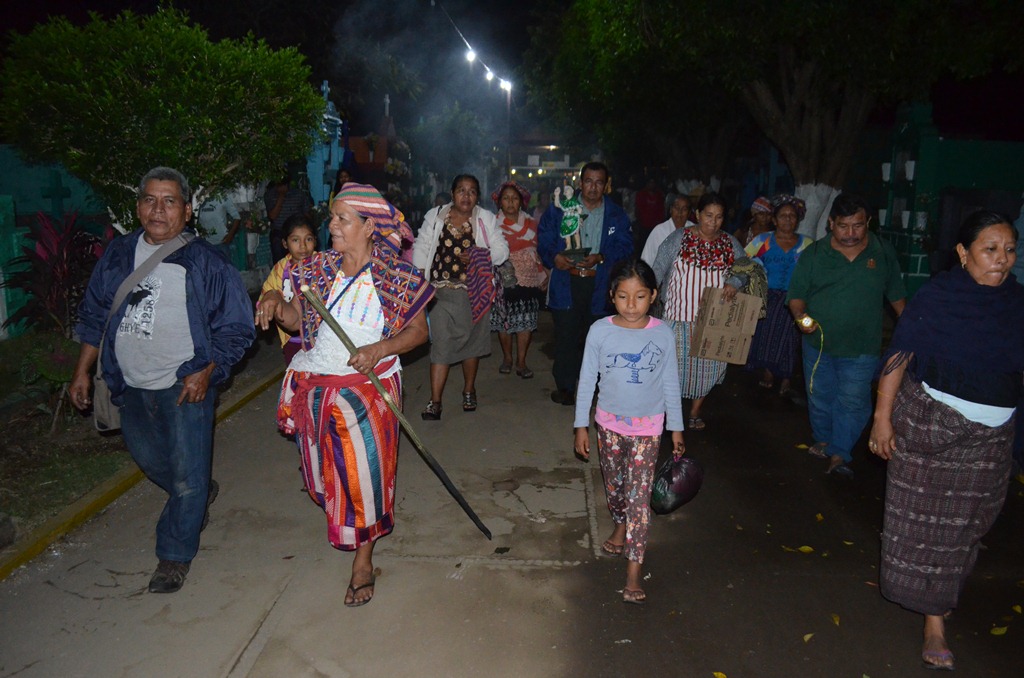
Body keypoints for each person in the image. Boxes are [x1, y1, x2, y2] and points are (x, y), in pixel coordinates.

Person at [69, 167, 255, 594]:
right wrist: (82, 370)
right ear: (138, 207)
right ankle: (197, 492)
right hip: (130, 385)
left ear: (187, 211)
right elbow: (95, 314)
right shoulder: (117, 255)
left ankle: (174, 555)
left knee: (186, 479)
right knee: (154, 462)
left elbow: (238, 328)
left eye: (169, 201)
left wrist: (208, 369)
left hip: (185, 386)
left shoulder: (205, 261)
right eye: (150, 200)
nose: (158, 209)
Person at [257, 182, 432, 607]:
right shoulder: (316, 269)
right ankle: (348, 524)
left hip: (368, 392)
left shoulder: (397, 276)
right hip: (316, 386)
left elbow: (419, 333)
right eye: (332, 217)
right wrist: (275, 302)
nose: (331, 225)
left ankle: (363, 561)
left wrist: (380, 349)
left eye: (342, 219)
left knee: (365, 479)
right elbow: (299, 320)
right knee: (325, 479)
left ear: (369, 226)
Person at [867, 210, 1024, 671]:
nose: (1001, 260)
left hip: (992, 439)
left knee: (968, 525)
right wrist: (882, 419)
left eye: (1010, 250)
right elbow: (900, 354)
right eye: (990, 249)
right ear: (963, 253)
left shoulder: (1018, 304)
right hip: (932, 428)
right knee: (927, 527)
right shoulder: (938, 297)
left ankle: (940, 594)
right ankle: (934, 622)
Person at [573, 259, 685, 605]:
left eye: (639, 296)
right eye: (623, 297)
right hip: (608, 424)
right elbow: (587, 379)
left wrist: (676, 428)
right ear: (612, 297)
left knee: (639, 499)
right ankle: (620, 524)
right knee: (615, 487)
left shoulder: (662, 333)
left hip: (648, 429)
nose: (631, 305)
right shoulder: (600, 331)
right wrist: (581, 424)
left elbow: (669, 381)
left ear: (653, 295)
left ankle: (634, 569)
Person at [787, 193, 906, 477]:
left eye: (858, 225)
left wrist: (913, 331)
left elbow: (897, 296)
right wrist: (802, 319)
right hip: (818, 344)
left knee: (852, 400)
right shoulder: (814, 254)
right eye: (843, 226)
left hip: (863, 346)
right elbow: (796, 298)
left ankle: (841, 452)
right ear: (831, 223)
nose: (850, 233)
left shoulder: (882, 251)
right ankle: (825, 439)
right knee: (820, 396)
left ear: (868, 223)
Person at [651, 192, 757, 430]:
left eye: (719, 217)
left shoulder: (730, 243)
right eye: (708, 215)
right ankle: (672, 413)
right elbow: (658, 269)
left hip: (714, 320)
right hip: (678, 316)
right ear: (697, 214)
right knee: (673, 369)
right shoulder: (678, 238)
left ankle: (695, 412)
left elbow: (744, 270)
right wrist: (648, 296)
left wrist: (735, 283)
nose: (713, 222)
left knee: (709, 369)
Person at [412, 174, 508, 419]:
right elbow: (421, 246)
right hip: (441, 293)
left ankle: (468, 389)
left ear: (478, 196)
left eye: (472, 191)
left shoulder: (485, 219)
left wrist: (479, 254)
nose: (466, 196)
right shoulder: (435, 217)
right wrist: (420, 282)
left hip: (474, 293)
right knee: (441, 345)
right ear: (452, 193)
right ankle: (435, 402)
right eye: (461, 190)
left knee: (472, 345)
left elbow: (501, 251)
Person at [538, 161, 633, 405]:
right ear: (580, 183)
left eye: (599, 182)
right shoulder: (560, 209)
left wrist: (602, 257)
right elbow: (544, 239)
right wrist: (555, 257)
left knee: (599, 341)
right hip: (566, 283)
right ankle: (566, 388)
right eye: (588, 181)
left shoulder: (615, 214)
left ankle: (598, 389)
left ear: (606, 185)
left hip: (599, 285)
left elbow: (626, 246)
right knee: (566, 338)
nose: (593, 187)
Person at [745, 195, 813, 396]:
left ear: (798, 220)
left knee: (791, 339)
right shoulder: (762, 241)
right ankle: (768, 372)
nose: (788, 220)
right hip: (768, 297)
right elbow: (743, 261)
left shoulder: (807, 244)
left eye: (792, 216)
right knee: (766, 335)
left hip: (796, 297)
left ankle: (786, 376)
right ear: (774, 220)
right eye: (783, 216)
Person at [490, 181, 547, 378]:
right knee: (504, 320)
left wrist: (542, 272)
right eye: (506, 198)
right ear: (500, 203)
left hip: (528, 278)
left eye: (514, 198)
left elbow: (538, 249)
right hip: (502, 277)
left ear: (521, 202)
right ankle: (507, 358)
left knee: (526, 320)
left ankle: (522, 362)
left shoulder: (532, 223)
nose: (510, 202)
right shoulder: (492, 225)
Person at [259, 213, 318, 364]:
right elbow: (266, 294)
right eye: (295, 240)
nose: (303, 246)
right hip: (292, 340)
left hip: (320, 338)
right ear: (285, 243)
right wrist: (267, 304)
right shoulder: (280, 269)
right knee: (296, 379)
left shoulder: (323, 265)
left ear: (315, 241)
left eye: (309, 239)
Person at [265, 175, 312, 263]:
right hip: (279, 232)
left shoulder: (298, 194)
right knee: (279, 257)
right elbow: (272, 216)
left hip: (296, 231)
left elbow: (307, 214)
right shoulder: (270, 194)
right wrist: (281, 196)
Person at [640, 194, 694, 266]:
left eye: (684, 209)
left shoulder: (694, 230)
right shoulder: (659, 231)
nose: (680, 212)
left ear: (689, 212)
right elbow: (646, 259)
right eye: (677, 208)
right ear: (671, 209)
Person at [197, 192, 242, 259]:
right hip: (205, 244)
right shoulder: (199, 198)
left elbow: (237, 217)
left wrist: (230, 235)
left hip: (221, 243)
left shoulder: (222, 196)